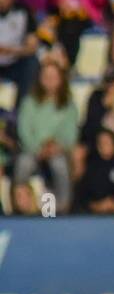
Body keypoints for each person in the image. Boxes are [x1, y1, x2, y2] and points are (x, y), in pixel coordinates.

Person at [13, 59, 78, 213]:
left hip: (57, 151)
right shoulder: (29, 102)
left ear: (61, 79)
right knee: (24, 163)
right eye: (46, 76)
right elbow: (24, 131)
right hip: (33, 149)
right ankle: (21, 207)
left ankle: (62, 208)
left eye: (53, 77)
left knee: (59, 165)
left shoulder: (68, 105)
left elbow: (70, 134)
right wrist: (38, 148)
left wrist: (56, 147)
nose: (49, 81)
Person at [0, 0, 39, 105]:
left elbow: (32, 47)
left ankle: (22, 109)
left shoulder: (23, 12)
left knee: (32, 62)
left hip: (15, 61)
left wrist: (11, 51)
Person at [77, 128, 114, 213]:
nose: (104, 144)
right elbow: (83, 194)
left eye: (107, 141)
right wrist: (97, 206)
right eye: (101, 142)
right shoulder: (91, 167)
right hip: (95, 215)